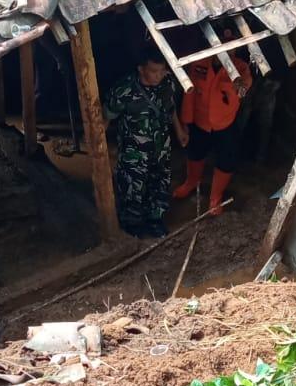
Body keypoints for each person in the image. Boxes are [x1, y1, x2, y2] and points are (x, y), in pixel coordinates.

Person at [104, 47, 187, 237]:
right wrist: (99, 147)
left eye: (162, 70)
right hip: (134, 152)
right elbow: (106, 117)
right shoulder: (124, 89)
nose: (158, 75)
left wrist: (180, 130)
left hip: (161, 148)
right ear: (141, 69)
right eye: (153, 71)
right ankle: (132, 225)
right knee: (133, 187)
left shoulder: (167, 83)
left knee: (160, 183)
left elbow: (170, 108)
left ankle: (155, 220)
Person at [172, 34, 252, 215]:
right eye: (224, 45)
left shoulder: (240, 68)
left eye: (232, 47)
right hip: (200, 123)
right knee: (194, 153)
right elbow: (189, 94)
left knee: (226, 159)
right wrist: (186, 122)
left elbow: (244, 88)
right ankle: (191, 182)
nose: (228, 50)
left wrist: (237, 81)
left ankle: (215, 197)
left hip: (225, 124)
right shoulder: (200, 63)